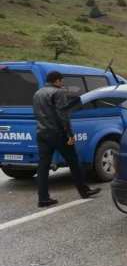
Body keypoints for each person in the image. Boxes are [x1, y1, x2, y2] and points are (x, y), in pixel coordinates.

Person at [33, 71, 101, 207]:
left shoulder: (38, 93)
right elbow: (63, 114)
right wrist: (70, 134)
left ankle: (43, 198)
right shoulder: (58, 93)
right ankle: (84, 190)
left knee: (43, 165)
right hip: (58, 133)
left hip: (42, 132)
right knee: (74, 162)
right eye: (61, 81)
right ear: (57, 81)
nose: (62, 83)